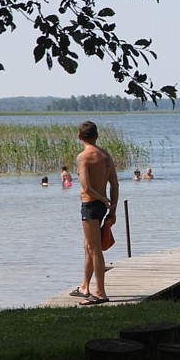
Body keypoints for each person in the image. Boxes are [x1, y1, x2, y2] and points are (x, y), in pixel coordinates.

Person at [69, 121, 119, 305]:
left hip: (90, 205)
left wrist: (103, 200)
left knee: (94, 249)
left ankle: (100, 292)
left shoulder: (83, 157)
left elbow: (87, 188)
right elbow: (115, 184)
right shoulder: (106, 156)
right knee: (88, 246)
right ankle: (85, 286)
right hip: (102, 206)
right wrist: (112, 207)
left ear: (80, 137)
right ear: (97, 136)